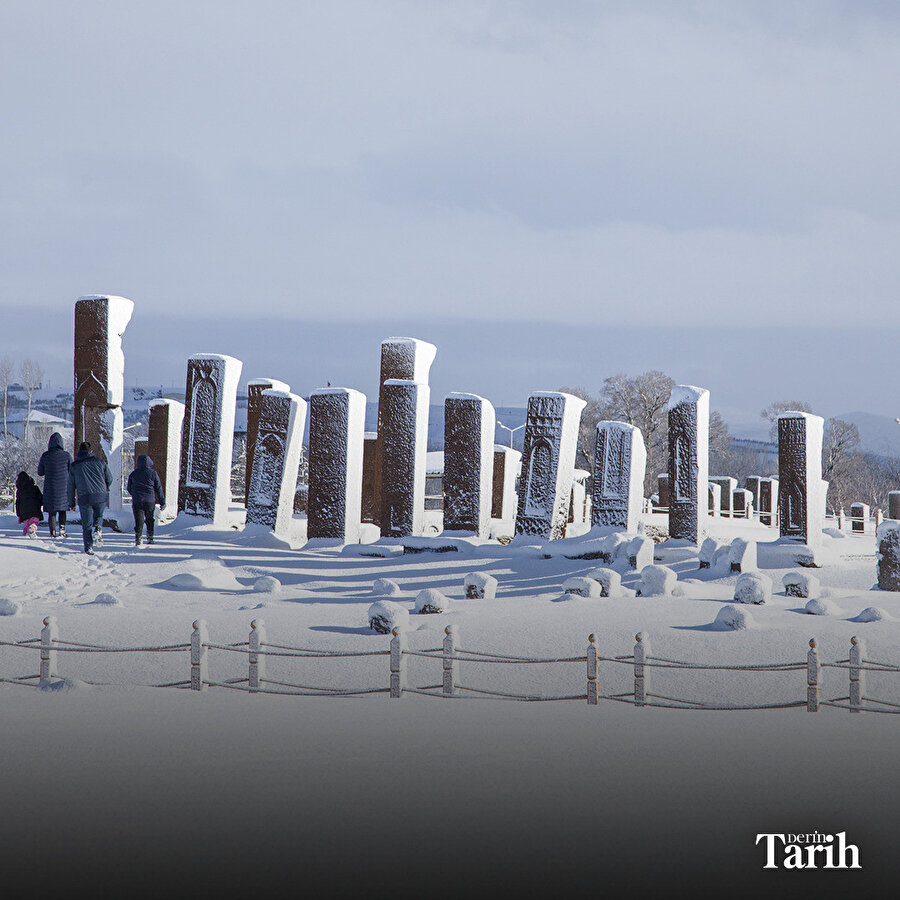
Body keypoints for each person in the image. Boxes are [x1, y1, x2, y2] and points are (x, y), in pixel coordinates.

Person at [67, 441, 113, 555]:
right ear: (91, 451)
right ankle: (98, 527)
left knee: (86, 524)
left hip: (85, 497)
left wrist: (71, 503)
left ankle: (89, 548)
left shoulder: (74, 466)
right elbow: (110, 478)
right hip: (100, 495)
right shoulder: (101, 462)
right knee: (99, 516)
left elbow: (70, 486)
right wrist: (103, 487)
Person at [37, 431, 73, 538]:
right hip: (63, 488)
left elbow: (40, 472)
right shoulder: (66, 455)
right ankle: (62, 530)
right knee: (62, 510)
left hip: (50, 488)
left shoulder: (45, 455)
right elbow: (72, 470)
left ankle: (52, 532)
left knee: (52, 512)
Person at [126, 453, 165, 546]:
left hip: (137, 501)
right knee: (150, 519)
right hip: (150, 501)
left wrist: (135, 495)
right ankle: (150, 537)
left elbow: (129, 488)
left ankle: (138, 537)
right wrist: (162, 501)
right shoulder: (153, 473)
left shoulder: (133, 474)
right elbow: (158, 488)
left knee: (139, 520)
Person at [15, 471, 43, 537]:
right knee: (34, 521)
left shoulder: (19, 490)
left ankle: (26, 534)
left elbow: (18, 503)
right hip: (35, 508)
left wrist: (18, 514)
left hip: (24, 511)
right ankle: (32, 528)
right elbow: (40, 497)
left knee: (27, 524)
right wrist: (41, 503)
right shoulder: (35, 488)